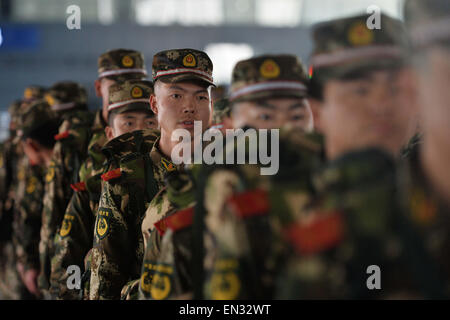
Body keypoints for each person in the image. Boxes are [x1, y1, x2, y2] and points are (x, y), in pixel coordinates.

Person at [138, 54, 320, 300]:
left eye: (296, 117)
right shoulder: (188, 209)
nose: (283, 130)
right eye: (265, 117)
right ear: (231, 122)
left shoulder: (348, 192)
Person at [89, 48, 214, 300]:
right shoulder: (125, 182)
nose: (190, 107)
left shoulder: (230, 173)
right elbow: (104, 284)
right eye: (176, 96)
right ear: (155, 105)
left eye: (201, 98)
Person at [49, 79, 157, 299]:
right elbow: (67, 266)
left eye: (149, 123)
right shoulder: (90, 192)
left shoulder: (174, 183)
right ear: (109, 134)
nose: (139, 132)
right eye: (128, 124)